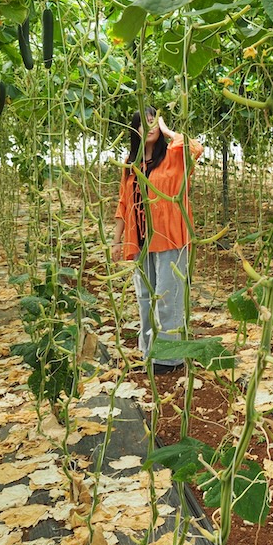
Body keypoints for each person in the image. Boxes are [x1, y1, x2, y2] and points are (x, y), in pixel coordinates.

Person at [112, 108, 203, 373]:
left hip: (171, 238)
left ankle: (169, 358)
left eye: (153, 122)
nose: (149, 127)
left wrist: (166, 129)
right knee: (145, 297)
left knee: (167, 296)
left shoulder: (174, 156)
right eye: (144, 124)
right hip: (140, 240)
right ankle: (150, 352)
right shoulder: (131, 163)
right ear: (135, 130)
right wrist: (116, 240)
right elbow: (123, 202)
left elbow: (195, 148)